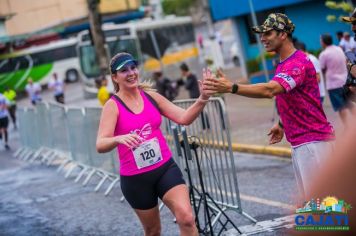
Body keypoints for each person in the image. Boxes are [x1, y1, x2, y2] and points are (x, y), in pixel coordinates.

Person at [203, 13, 335, 199]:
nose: (262, 38)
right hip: (302, 143)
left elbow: (269, 90)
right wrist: (282, 124)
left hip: (312, 143)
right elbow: (295, 98)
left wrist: (232, 87)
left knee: (326, 211)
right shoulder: (284, 63)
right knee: (318, 209)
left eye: (268, 33)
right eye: (261, 34)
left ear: (283, 34)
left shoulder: (297, 63)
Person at [96, 52, 214, 236]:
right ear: (114, 77)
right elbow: (100, 144)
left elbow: (183, 118)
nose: (131, 73)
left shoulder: (151, 97)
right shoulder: (113, 105)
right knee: (153, 231)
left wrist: (203, 98)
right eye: (124, 70)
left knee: (187, 218)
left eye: (133, 68)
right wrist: (117, 138)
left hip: (164, 169)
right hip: (136, 179)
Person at [319, 34, 349, 124]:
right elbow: (345, 61)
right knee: (350, 105)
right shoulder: (339, 49)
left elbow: (322, 69)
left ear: (323, 42)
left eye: (320, 40)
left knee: (341, 107)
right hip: (345, 81)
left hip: (333, 84)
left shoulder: (324, 54)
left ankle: (348, 126)